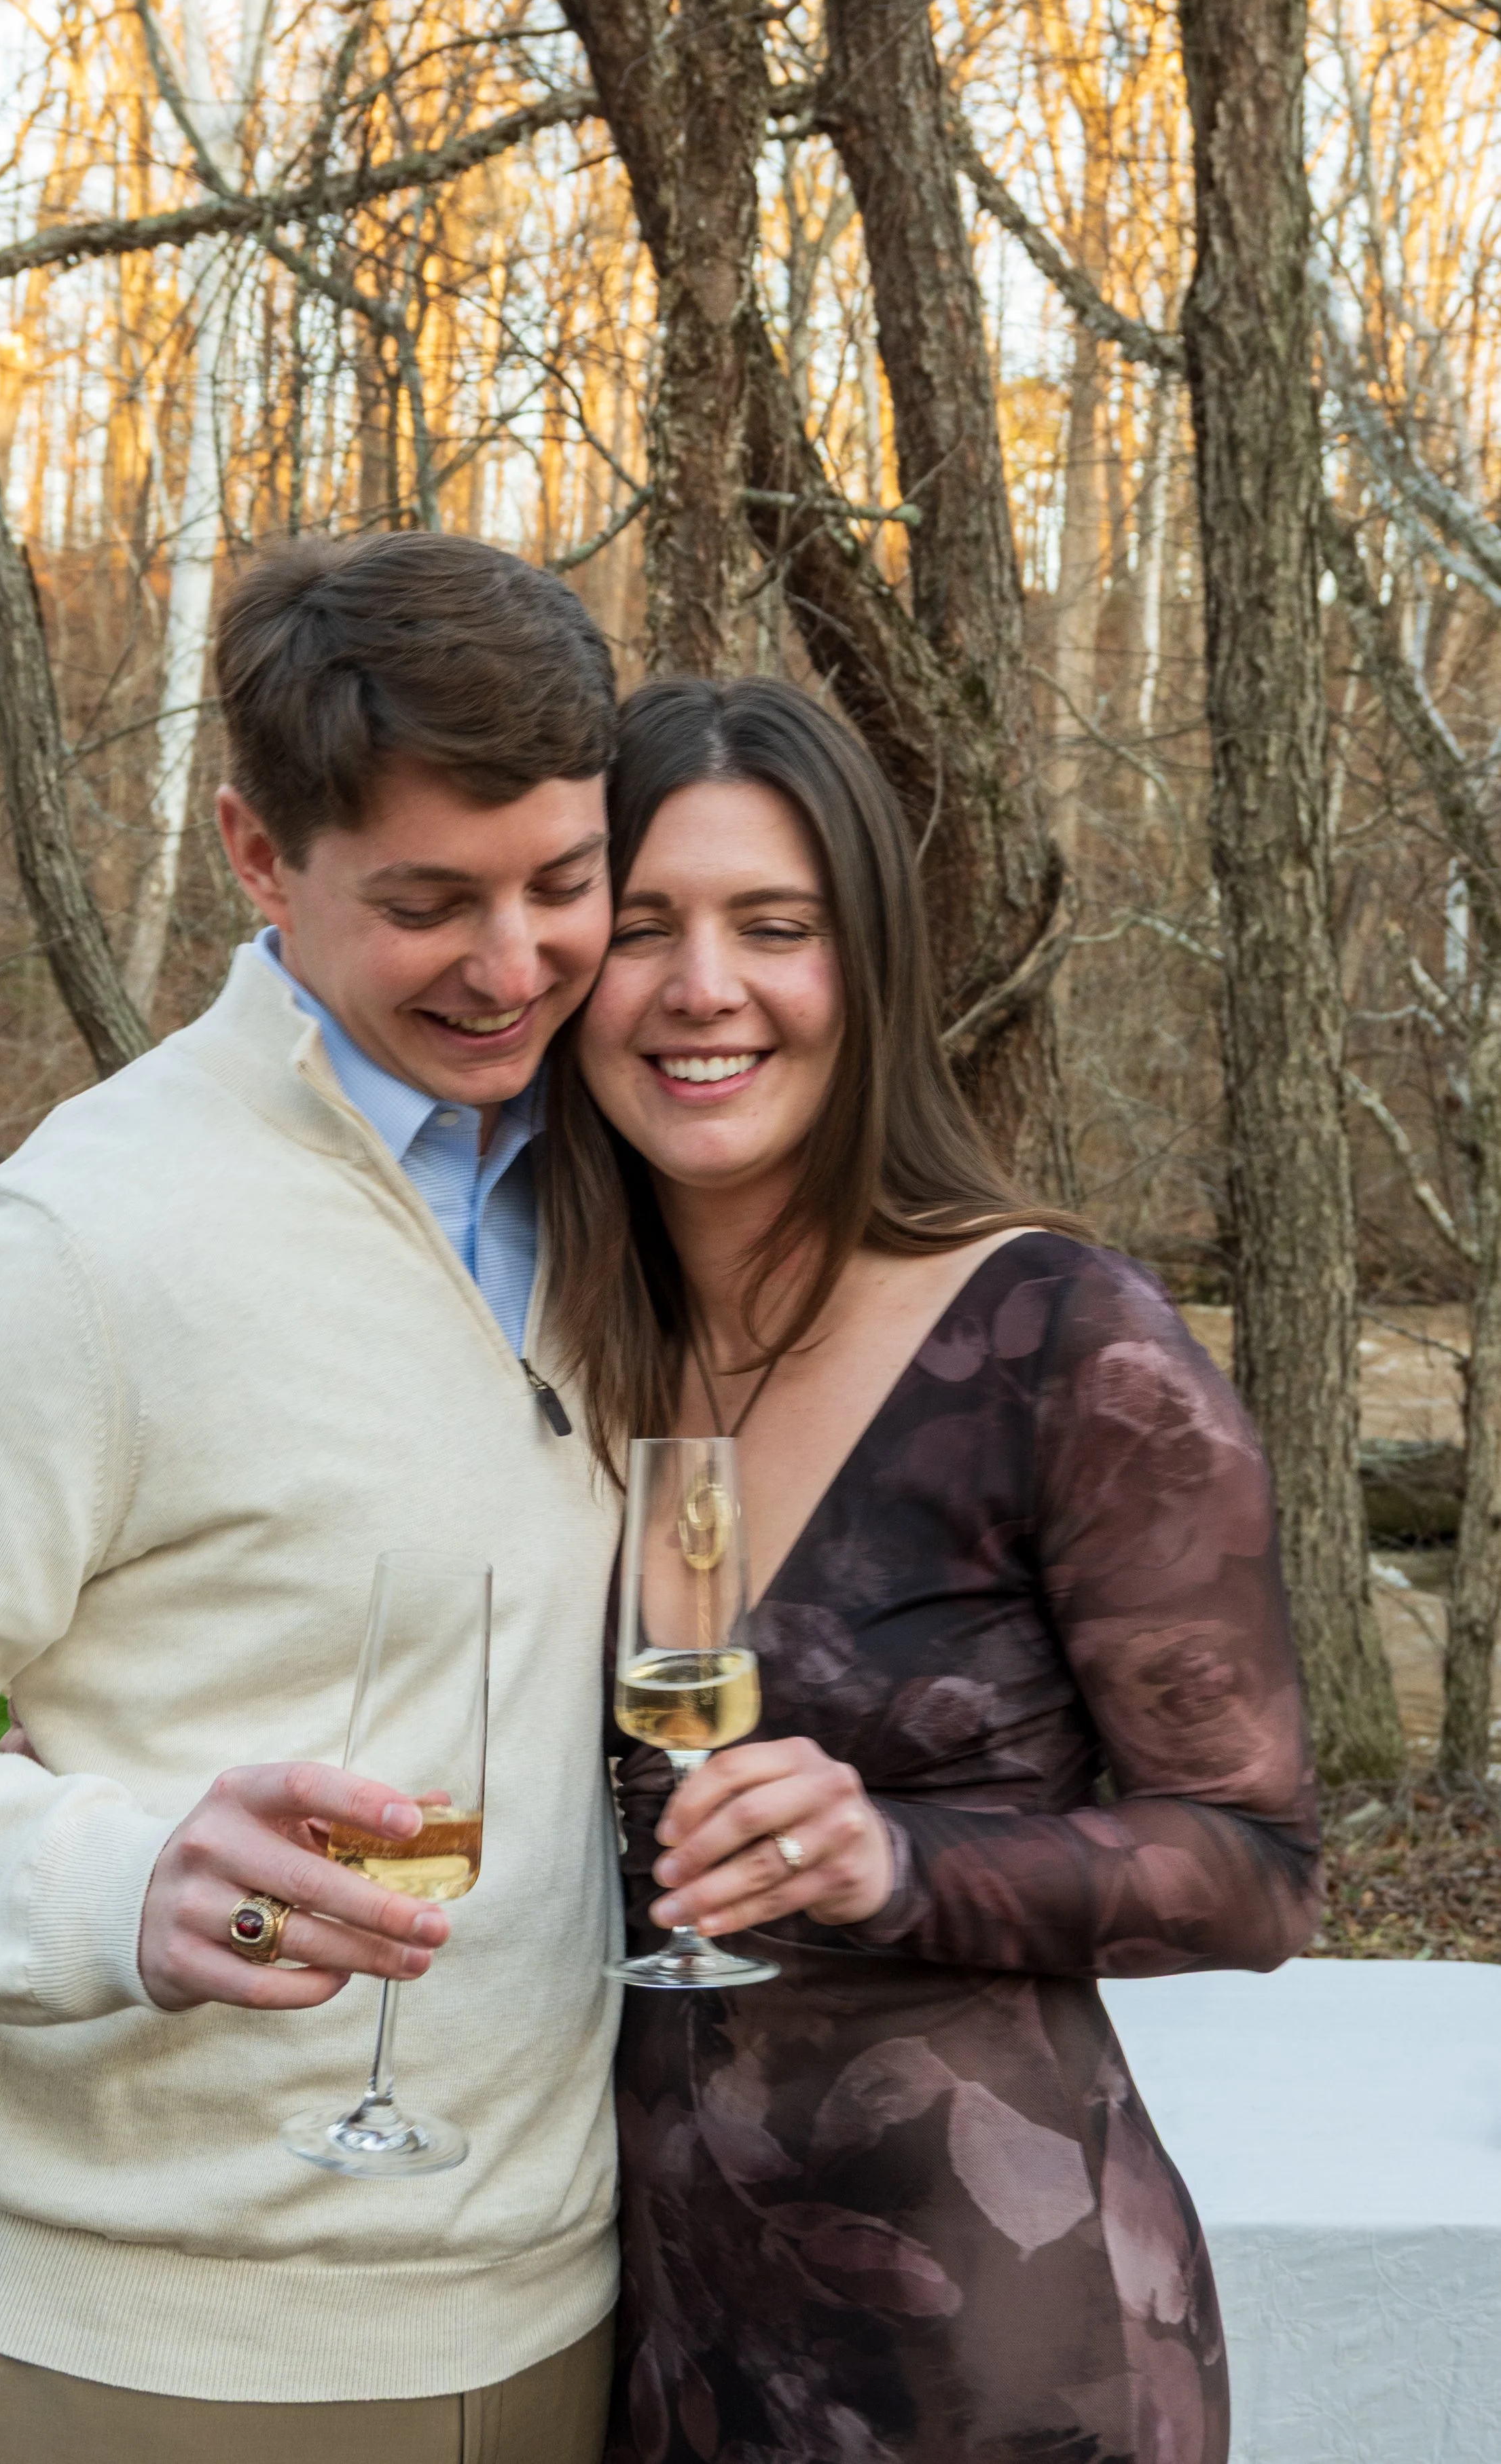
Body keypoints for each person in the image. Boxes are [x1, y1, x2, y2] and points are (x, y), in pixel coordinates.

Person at [0, 532, 627, 2464]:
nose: (513, 963)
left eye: (562, 884)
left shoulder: (622, 1189)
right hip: (155, 2367)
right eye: (430, 901)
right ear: (260, 859)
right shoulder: (77, 1242)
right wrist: (115, 1880)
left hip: (567, 2322)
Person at [541, 677, 1322, 2464]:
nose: (699, 986)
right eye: (641, 925)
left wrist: (895, 1858)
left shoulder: (1061, 1338)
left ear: (868, 968)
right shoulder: (556, 1342)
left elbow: (1258, 1867)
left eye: (772, 925)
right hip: (653, 2334)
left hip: (999, 2343)